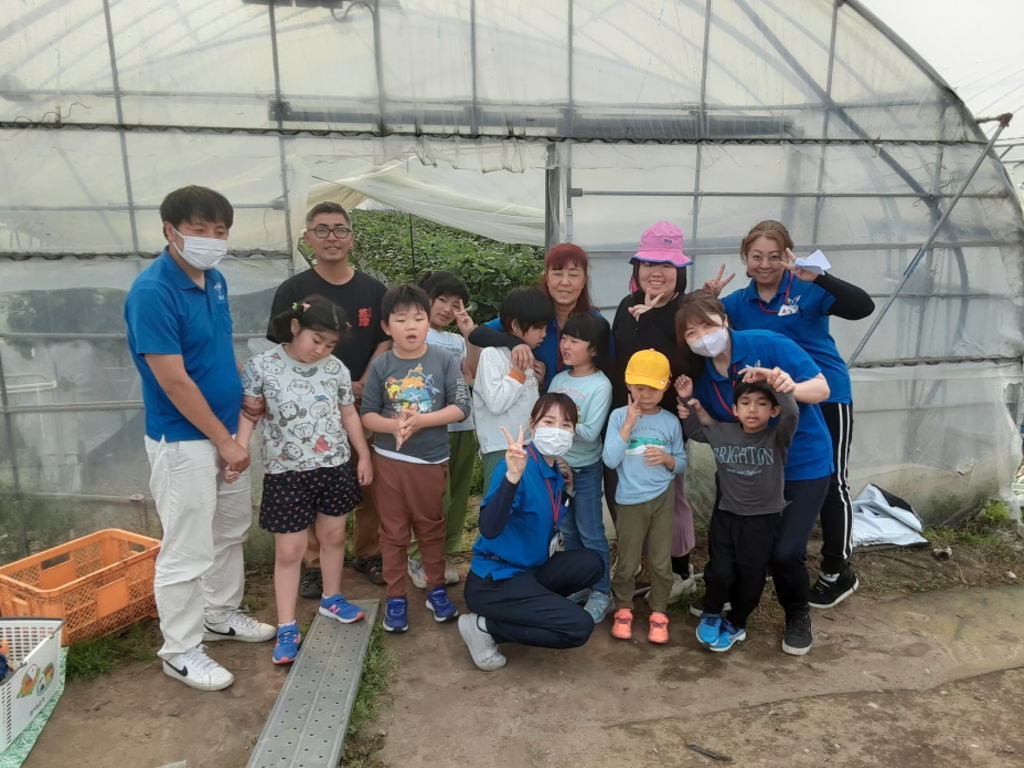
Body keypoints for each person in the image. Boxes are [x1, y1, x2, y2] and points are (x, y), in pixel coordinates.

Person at [124, 185, 274, 692]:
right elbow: (173, 380)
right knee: (186, 546)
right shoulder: (153, 292)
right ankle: (180, 649)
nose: (212, 238)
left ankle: (220, 614)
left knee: (229, 529)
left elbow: (216, 349)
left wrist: (243, 394)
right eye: (199, 229)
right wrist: (225, 441)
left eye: (220, 230)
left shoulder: (214, 280)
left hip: (226, 428)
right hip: (184, 439)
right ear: (171, 231)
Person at [703, 220, 875, 609]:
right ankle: (768, 556)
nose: (765, 264)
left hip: (824, 395)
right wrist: (707, 297)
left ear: (787, 256)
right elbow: (704, 332)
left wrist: (821, 278)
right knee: (773, 477)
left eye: (774, 256)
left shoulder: (807, 288)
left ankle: (837, 570)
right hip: (774, 405)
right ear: (745, 258)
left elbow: (862, 307)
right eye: (756, 256)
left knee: (831, 480)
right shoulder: (737, 303)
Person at [676, 291, 832, 656]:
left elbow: (822, 388)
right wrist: (688, 409)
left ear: (725, 320)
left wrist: (787, 386)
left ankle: (797, 612)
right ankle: (722, 600)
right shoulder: (703, 378)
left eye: (708, 325)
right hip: (745, 474)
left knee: (785, 552)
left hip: (801, 464)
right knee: (730, 545)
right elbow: (712, 429)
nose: (703, 337)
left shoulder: (767, 343)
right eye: (692, 332)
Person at [230, 297, 372, 664]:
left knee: (334, 536)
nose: (320, 350)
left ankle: (332, 598)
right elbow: (250, 413)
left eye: (330, 344)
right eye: (316, 339)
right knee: (290, 551)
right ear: (296, 328)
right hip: (286, 473)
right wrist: (239, 450)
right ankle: (287, 625)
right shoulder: (263, 366)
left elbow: (348, 414)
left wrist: (363, 455)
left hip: (334, 467)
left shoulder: (336, 369)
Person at [266, 202, 390, 593]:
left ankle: (368, 552)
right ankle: (314, 563)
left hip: (365, 402)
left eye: (339, 229)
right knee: (310, 481)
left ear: (351, 237)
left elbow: (384, 339)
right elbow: (284, 348)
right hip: (307, 411)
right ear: (307, 238)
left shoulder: (373, 290)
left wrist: (365, 381)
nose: (331, 237)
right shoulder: (293, 291)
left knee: (369, 480)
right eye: (322, 230)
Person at [459, 394, 603, 671]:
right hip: (496, 580)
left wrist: (568, 491)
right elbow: (489, 528)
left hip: (531, 568)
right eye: (549, 421)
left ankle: (531, 605)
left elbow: (549, 517)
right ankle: (485, 627)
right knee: (578, 627)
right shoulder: (517, 465)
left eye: (566, 425)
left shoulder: (553, 468)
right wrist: (512, 478)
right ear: (532, 424)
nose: (557, 430)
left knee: (591, 563)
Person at [360, 284, 471, 633]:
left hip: (430, 462)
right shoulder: (382, 365)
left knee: (431, 527)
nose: (411, 325)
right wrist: (394, 425)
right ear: (386, 326)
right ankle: (396, 597)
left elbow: (461, 406)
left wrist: (421, 420)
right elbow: (367, 414)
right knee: (393, 532)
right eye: (401, 319)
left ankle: (435, 589)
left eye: (418, 318)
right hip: (388, 461)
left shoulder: (445, 360)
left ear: (428, 323)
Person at [608, 222, 699, 599]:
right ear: (637, 268)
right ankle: (634, 560)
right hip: (628, 416)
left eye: (666, 264)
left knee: (669, 495)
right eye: (648, 263)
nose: (656, 272)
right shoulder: (627, 306)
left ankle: (680, 570)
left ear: (679, 271)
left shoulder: (687, 310)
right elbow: (619, 359)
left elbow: (693, 362)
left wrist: (655, 316)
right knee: (626, 489)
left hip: (667, 421)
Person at [677, 375, 799, 653]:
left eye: (761, 404)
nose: (752, 409)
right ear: (734, 409)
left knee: (750, 575)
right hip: (726, 515)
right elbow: (695, 430)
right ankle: (711, 611)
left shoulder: (777, 437)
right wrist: (687, 399)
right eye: (745, 403)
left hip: (762, 520)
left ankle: (737, 623)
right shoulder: (723, 432)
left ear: (774, 410)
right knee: (720, 569)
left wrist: (775, 382)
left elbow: (792, 413)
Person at [602, 349, 687, 645]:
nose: (646, 394)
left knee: (661, 562)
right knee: (627, 561)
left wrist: (668, 459)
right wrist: (628, 424)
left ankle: (659, 612)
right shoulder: (618, 416)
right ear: (628, 384)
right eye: (639, 387)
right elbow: (610, 459)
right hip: (629, 500)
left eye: (653, 388)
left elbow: (682, 463)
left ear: (666, 387)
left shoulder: (671, 421)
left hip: (663, 498)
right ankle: (623, 609)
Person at [406, 271, 479, 589]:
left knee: (458, 496)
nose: (449, 309)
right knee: (432, 497)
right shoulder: (414, 334)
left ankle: (444, 554)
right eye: (442, 300)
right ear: (425, 299)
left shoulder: (456, 340)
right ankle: (418, 556)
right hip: (430, 427)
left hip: (463, 424)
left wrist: (469, 335)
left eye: (456, 304)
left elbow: (472, 373)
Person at [548, 313, 614, 622]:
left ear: (594, 349)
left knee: (591, 532)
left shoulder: (600, 385)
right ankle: (580, 584)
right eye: (564, 338)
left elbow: (589, 433)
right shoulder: (558, 379)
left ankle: (602, 592)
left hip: (585, 469)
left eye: (575, 340)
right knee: (568, 530)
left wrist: (558, 423)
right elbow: (545, 420)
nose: (566, 345)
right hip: (558, 468)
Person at [468, 243, 604, 390]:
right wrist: (515, 343)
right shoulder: (534, 314)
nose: (565, 282)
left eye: (573, 275)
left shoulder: (595, 322)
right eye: (557, 273)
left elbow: (607, 367)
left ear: (584, 281)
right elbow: (478, 334)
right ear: (547, 279)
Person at [473, 287, 553, 487]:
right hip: (501, 447)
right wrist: (518, 372)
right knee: (500, 500)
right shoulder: (491, 355)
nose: (544, 334)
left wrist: (539, 382)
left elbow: (524, 401)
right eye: (539, 328)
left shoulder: (527, 355)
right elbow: (496, 403)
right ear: (516, 326)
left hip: (529, 444)